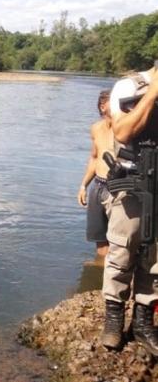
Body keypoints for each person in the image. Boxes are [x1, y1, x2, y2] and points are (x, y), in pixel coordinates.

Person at [101, 67, 158, 354]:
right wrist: (153, 93)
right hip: (133, 184)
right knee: (122, 252)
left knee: (155, 258)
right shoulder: (128, 87)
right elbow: (122, 132)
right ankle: (113, 320)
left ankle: (143, 321)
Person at [77, 90, 113, 263]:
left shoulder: (127, 128)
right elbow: (94, 157)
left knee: (120, 239)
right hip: (98, 185)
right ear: (103, 106)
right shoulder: (96, 128)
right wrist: (83, 185)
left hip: (118, 186)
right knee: (99, 237)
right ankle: (100, 275)